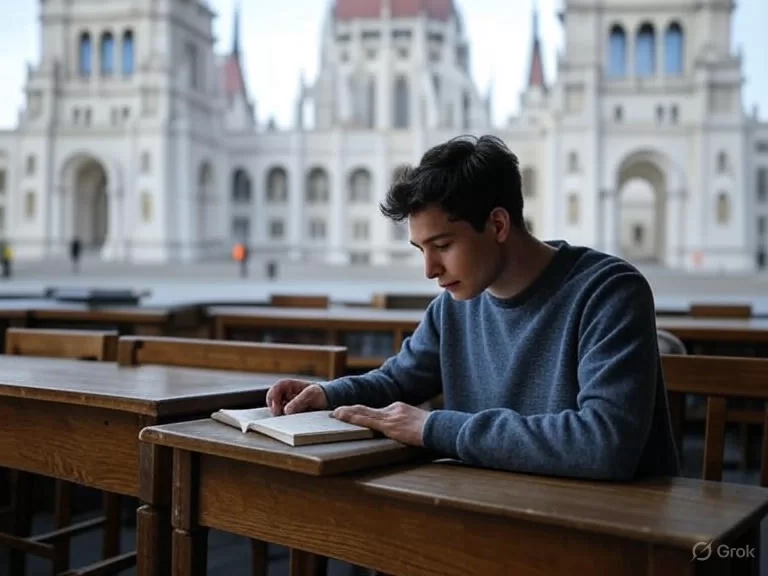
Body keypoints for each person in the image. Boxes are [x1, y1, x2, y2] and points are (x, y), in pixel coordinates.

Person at [266, 135, 680, 480]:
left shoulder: (609, 292)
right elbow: (396, 381)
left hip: (617, 532)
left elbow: (604, 444)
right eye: (420, 250)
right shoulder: (453, 307)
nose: (429, 269)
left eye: (442, 246)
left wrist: (434, 428)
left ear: (498, 225)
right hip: (496, 510)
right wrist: (324, 393)